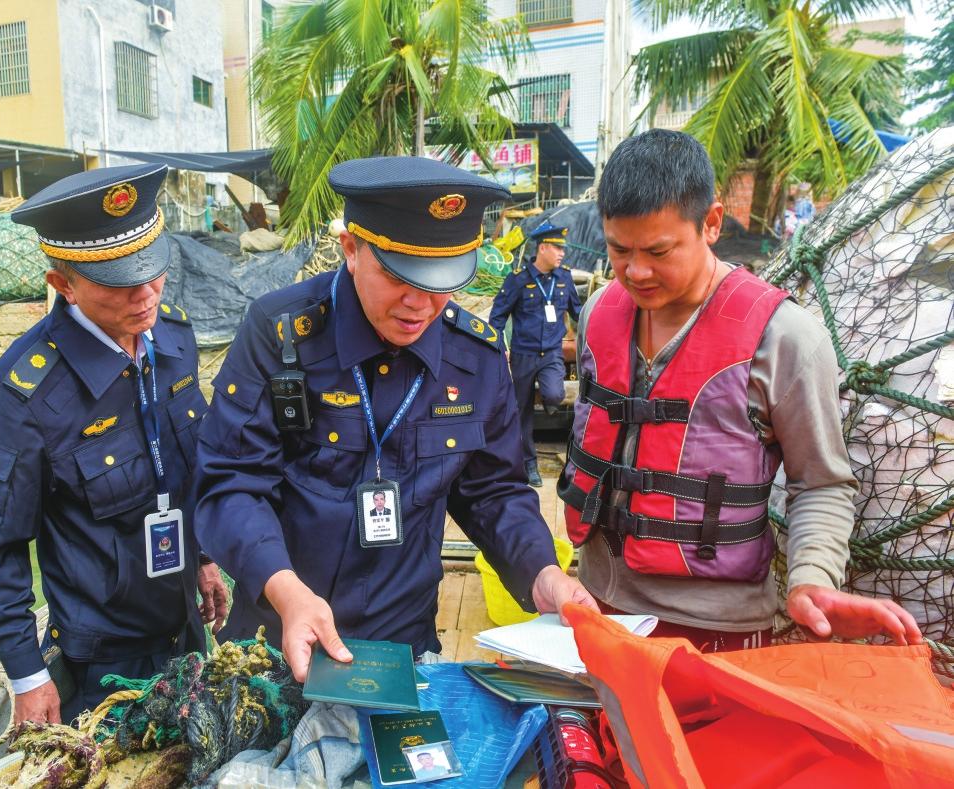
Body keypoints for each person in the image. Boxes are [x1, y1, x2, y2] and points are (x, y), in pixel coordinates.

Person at [195, 156, 598, 682]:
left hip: (401, 648)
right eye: (396, 275)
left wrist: (539, 571)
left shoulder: (473, 357)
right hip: (276, 638)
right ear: (351, 249)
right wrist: (286, 590)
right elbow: (231, 482)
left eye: (439, 280)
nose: (418, 305)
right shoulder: (281, 335)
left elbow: (494, 491)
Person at [557, 130, 921, 652]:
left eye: (658, 251)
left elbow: (821, 482)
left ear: (711, 223)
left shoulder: (785, 338)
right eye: (620, 250)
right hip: (598, 607)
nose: (636, 271)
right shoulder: (599, 313)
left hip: (717, 630)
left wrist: (812, 577)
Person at [0, 163, 229, 724]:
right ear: (64, 285)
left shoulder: (172, 338)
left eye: (152, 270)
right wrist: (28, 676)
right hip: (102, 663)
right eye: (119, 282)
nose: (145, 295)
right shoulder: (25, 394)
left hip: (186, 628)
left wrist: (202, 559)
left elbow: (182, 471)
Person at [489, 220, 582, 487]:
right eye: (557, 248)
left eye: (563, 248)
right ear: (542, 248)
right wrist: (499, 348)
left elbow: (579, 313)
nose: (562, 253)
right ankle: (529, 463)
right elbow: (497, 317)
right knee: (522, 411)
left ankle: (551, 403)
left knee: (554, 393)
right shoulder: (518, 280)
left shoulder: (564, 278)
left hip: (551, 353)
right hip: (523, 355)